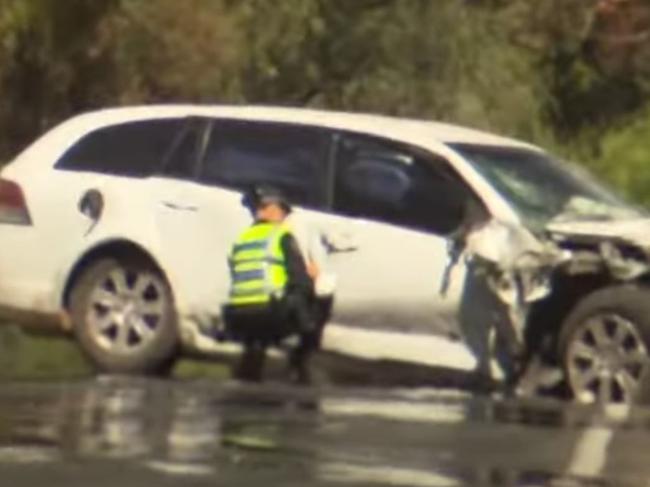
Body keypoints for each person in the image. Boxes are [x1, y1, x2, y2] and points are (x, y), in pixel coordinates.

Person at [222, 185, 318, 384]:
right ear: (272, 209)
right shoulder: (281, 236)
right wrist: (312, 278)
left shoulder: (241, 239)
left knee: (257, 334)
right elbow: (299, 280)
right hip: (267, 313)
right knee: (309, 300)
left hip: (236, 316)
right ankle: (300, 369)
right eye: (283, 211)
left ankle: (249, 371)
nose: (284, 217)